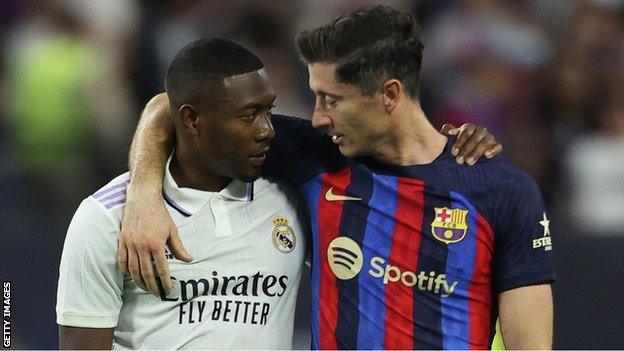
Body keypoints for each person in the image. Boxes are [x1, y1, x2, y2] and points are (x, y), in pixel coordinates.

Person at [118, 7, 540, 350]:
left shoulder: (501, 190)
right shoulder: (315, 156)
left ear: (390, 95)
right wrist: (142, 196)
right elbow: (167, 108)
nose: (317, 116)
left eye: (332, 100)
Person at [56, 39, 308, 349]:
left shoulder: (291, 197)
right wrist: (145, 194)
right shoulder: (107, 217)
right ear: (191, 120)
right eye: (248, 115)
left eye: (268, 111)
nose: (267, 129)